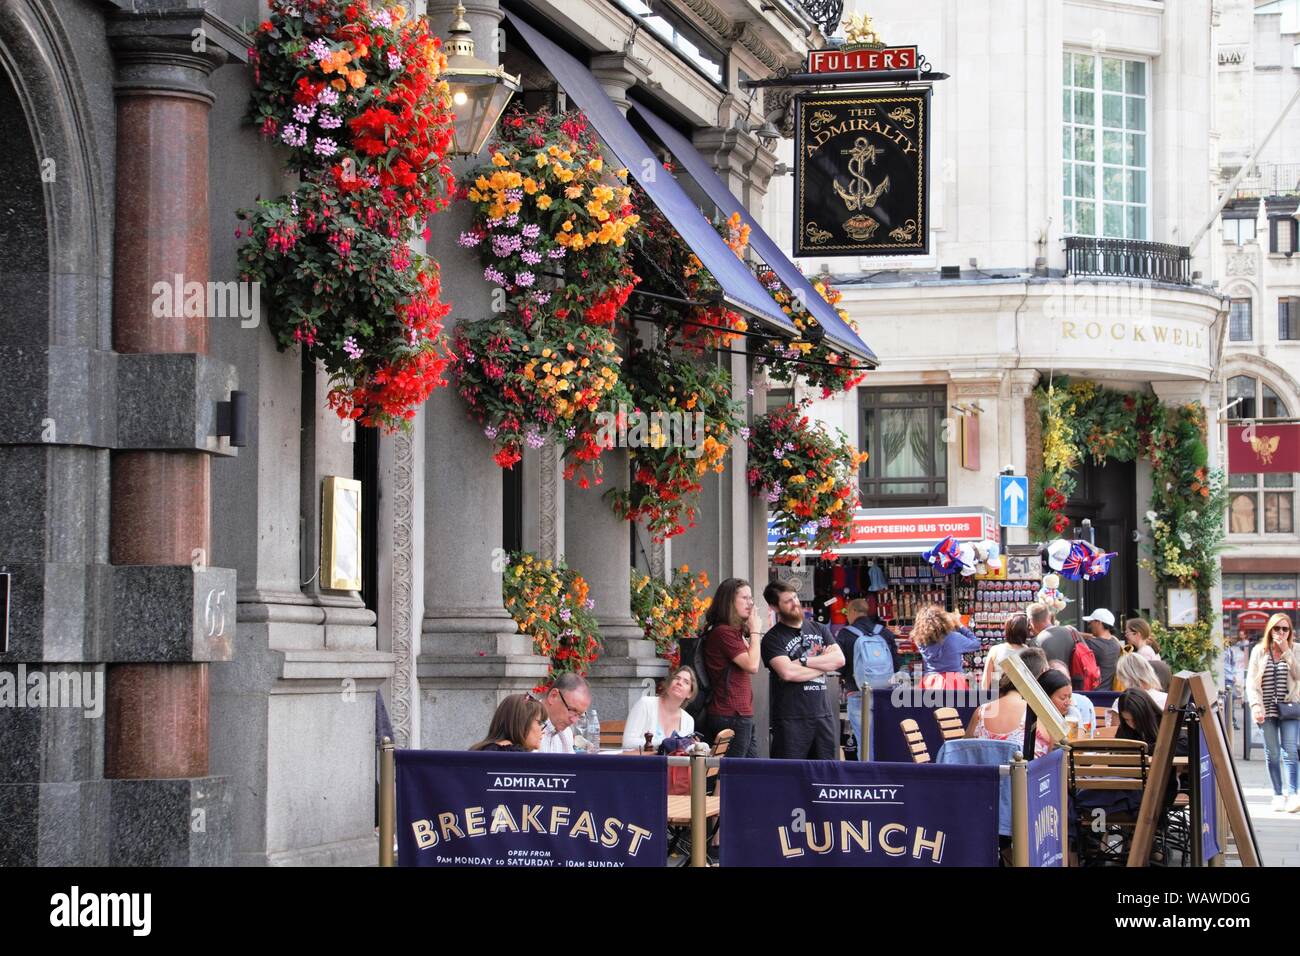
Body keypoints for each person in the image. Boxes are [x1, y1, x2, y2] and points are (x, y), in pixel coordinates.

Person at [761, 579, 844, 759]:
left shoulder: (820, 629)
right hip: (791, 720)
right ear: (775, 607)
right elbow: (788, 672)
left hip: (823, 717)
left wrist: (803, 661)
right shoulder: (772, 639)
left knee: (824, 777)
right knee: (789, 778)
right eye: (788, 601)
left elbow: (839, 659)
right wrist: (823, 665)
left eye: (795, 597)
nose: (795, 603)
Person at [700, 577, 763, 758]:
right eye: (744, 598)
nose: (750, 603)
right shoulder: (723, 632)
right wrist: (755, 631)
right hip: (731, 713)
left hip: (740, 713)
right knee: (733, 773)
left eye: (751, 598)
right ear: (729, 601)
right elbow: (752, 665)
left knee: (750, 773)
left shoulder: (732, 632)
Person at [1246, 613, 1300, 812]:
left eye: (1285, 629)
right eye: (1277, 628)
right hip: (1265, 710)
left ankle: (1293, 794)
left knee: (1291, 750)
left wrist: (1286, 651)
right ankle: (1277, 794)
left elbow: (1298, 674)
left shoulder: (1296, 649)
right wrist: (1255, 706)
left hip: (1289, 708)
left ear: (1290, 631)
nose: (1281, 632)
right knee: (1273, 753)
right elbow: (1251, 682)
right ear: (1270, 630)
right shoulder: (1259, 651)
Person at [836, 593, 902, 754]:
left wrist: (846, 677)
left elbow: (839, 665)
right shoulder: (884, 633)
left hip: (857, 692)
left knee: (865, 743)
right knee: (885, 739)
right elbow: (897, 664)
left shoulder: (845, 634)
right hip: (884, 694)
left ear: (852, 611)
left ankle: (868, 776)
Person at [966, 672, 1051, 758]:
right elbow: (1051, 748)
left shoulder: (981, 711)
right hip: (1025, 770)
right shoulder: (1036, 711)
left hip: (983, 770)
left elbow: (964, 747)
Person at [622, 666, 696, 751]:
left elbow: (685, 751)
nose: (679, 682)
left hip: (671, 764)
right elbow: (627, 743)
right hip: (641, 763)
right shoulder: (646, 704)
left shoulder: (688, 720)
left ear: (690, 694)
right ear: (669, 684)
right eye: (676, 678)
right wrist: (664, 743)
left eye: (686, 682)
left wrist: (698, 747)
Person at [912, 604, 980, 689]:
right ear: (942, 620)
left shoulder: (921, 641)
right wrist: (959, 625)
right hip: (953, 681)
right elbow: (976, 643)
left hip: (930, 681)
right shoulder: (954, 637)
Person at [468, 694, 546, 752]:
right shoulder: (514, 754)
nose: (543, 731)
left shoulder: (477, 749)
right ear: (522, 723)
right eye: (539, 723)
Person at [536, 673, 592, 754]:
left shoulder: (566, 733)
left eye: (580, 715)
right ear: (553, 696)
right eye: (572, 710)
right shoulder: (525, 725)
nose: (574, 720)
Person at [982, 612, 1030, 690]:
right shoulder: (1029, 652)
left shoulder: (995, 650)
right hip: (1021, 698)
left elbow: (985, 684)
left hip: (999, 697)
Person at [1047, 660, 1096, 732]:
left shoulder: (1084, 704)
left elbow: (1087, 738)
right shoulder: (1041, 715)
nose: (1068, 702)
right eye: (1062, 698)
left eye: (1065, 679)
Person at [1081, 608, 1124, 690]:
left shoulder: (1092, 644)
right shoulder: (1116, 643)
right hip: (1110, 692)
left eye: (1091, 622)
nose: (1089, 626)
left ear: (1099, 623)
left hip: (1094, 693)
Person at [1028, 602, 1075, 668]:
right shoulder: (1071, 631)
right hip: (1077, 677)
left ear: (1031, 621)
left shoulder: (1035, 642)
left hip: (1052, 677)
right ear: (1049, 617)